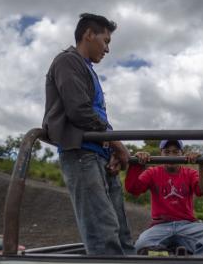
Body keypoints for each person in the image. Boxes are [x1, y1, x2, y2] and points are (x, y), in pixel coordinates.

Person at [42, 13, 134, 255]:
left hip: (99, 156)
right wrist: (117, 144)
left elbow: (97, 117)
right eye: (105, 41)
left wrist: (110, 149)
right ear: (88, 34)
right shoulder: (67, 61)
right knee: (103, 232)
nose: (107, 49)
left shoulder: (87, 69)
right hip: (81, 155)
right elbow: (79, 111)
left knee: (121, 232)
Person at [125, 140, 203, 256]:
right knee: (141, 244)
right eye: (167, 152)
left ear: (182, 154)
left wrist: (201, 163)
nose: (171, 156)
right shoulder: (153, 172)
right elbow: (133, 189)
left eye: (176, 152)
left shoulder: (190, 173)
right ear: (161, 154)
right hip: (160, 225)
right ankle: (167, 254)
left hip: (187, 224)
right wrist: (137, 163)